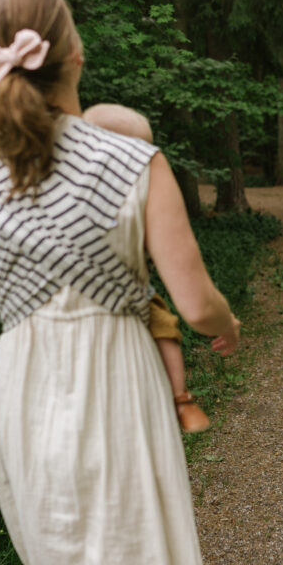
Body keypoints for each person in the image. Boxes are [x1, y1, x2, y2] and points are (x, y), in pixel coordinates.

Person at [0, 0, 239, 565]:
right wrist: (227, 322)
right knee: (138, 554)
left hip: (24, 384)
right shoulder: (134, 160)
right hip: (114, 377)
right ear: (73, 54)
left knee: (60, 559)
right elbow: (194, 303)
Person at [82, 103, 209, 433]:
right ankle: (181, 396)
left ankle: (180, 396)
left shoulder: (137, 191)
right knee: (163, 323)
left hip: (127, 289)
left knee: (164, 324)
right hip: (93, 295)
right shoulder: (87, 191)